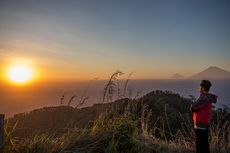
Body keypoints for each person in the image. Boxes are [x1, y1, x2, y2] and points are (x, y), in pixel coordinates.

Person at [190, 80, 218, 153]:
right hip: (205, 123)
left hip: (200, 124)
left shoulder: (203, 98)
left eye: (200, 86)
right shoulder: (208, 97)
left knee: (199, 146)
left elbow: (193, 107)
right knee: (205, 145)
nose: (199, 88)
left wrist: (194, 108)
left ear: (203, 88)